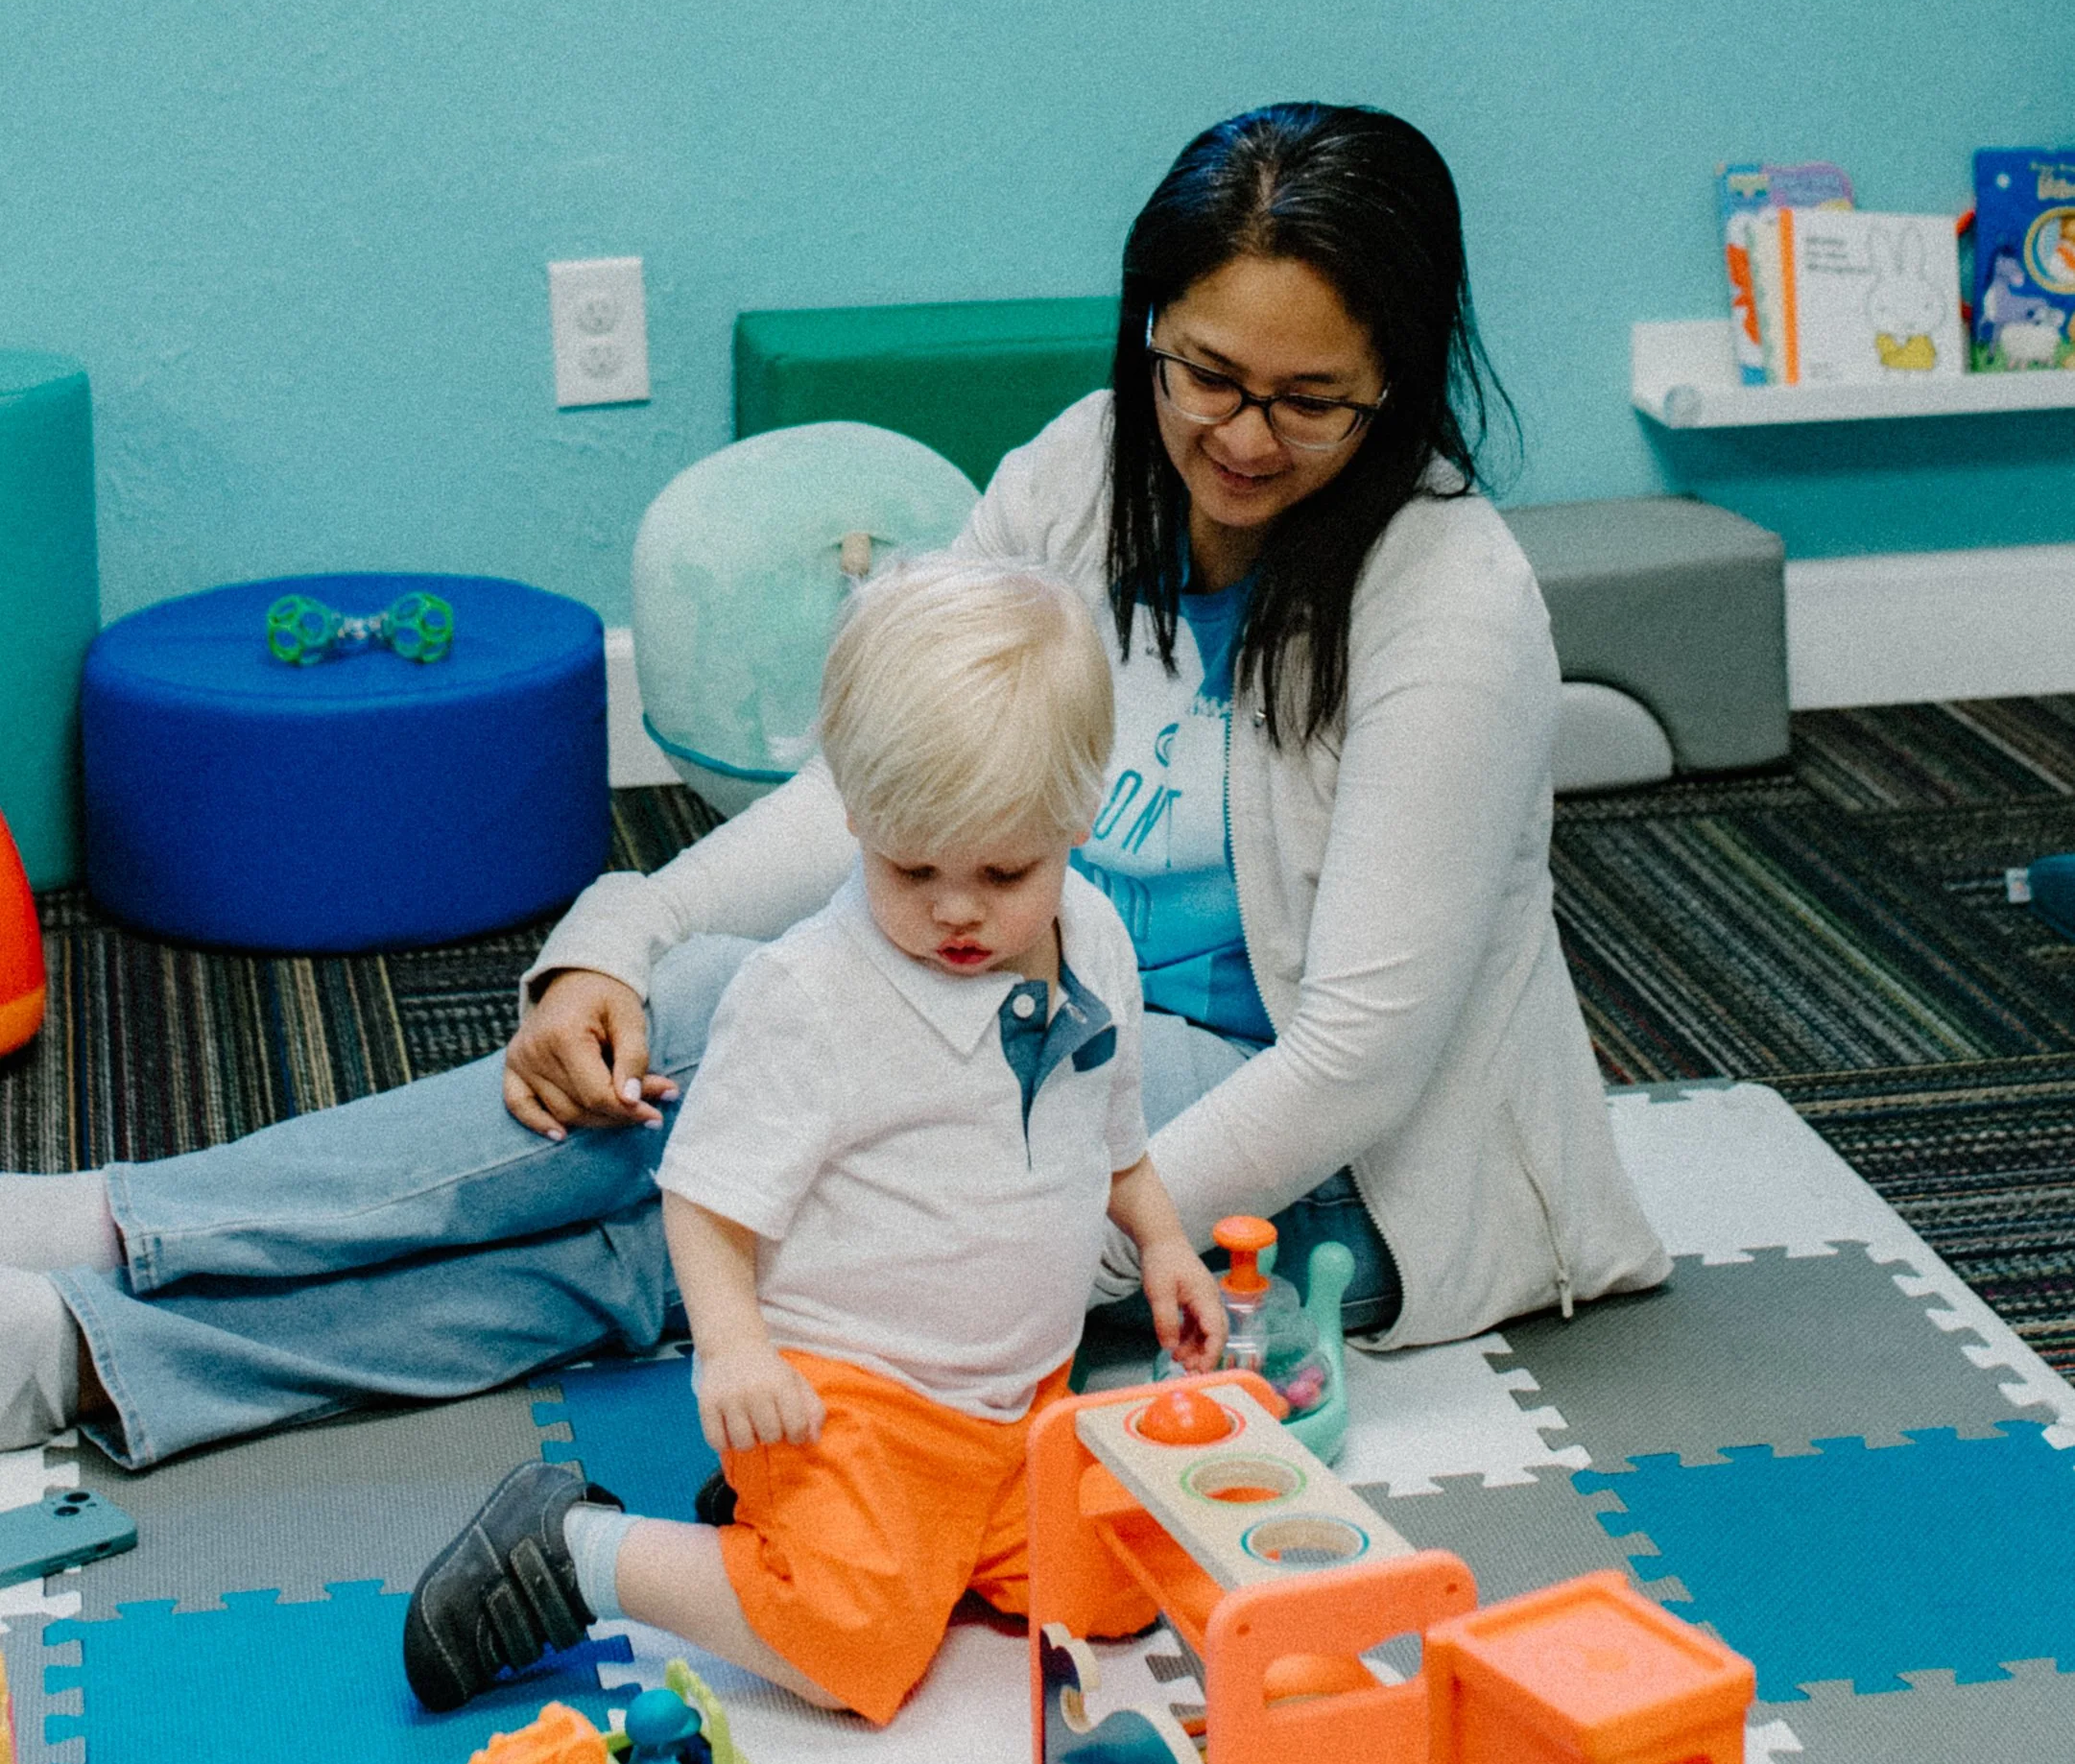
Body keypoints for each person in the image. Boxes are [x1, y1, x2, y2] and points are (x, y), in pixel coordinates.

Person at [0, 100, 1664, 1470]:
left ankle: (94, 1305)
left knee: (705, 1209)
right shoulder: (1090, 469)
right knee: (721, 1039)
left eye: (1311, 402)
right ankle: (94, 1289)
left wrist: (1024, 1232)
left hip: (1290, 1163)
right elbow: (874, 797)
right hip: (1014, 1019)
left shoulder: (1447, 601)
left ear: (1400, 379)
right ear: (1148, 328)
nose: (1237, 436)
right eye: (1205, 372)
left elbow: (1354, 1063)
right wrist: (618, 931)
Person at [405, 560, 1223, 1725]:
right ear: (850, 811)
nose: (955, 912)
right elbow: (704, 1199)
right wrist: (733, 1354)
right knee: (855, 1649)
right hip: (857, 1397)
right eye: (909, 867)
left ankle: (811, 1536)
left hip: (1019, 1400)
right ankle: (577, 1550)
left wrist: (1162, 1246)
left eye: (1002, 872)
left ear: (1081, 817)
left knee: (1119, 1584)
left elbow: (1113, 1135)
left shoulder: (1088, 934)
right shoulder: (809, 995)